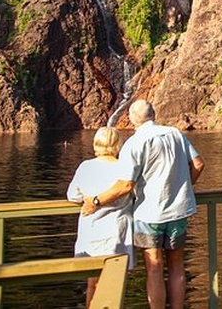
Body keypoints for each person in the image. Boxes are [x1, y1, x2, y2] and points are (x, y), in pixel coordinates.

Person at [82, 100, 205, 309]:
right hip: (179, 211)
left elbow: (126, 185)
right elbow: (199, 164)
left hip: (150, 214)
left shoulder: (134, 143)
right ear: (154, 113)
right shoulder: (175, 134)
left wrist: (96, 201)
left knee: (154, 268)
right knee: (177, 266)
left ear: (131, 119)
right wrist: (184, 188)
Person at [67, 126, 134, 308]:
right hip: (117, 232)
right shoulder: (124, 168)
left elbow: (72, 195)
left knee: (93, 282)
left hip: (92, 230)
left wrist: (89, 199)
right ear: (118, 144)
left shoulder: (86, 167)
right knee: (116, 284)